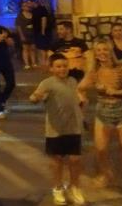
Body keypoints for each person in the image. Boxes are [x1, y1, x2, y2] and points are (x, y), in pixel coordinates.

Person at [78, 38, 122, 198]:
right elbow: (80, 87)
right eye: (98, 50)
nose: (102, 53)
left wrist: (117, 92)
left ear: (110, 51)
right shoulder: (94, 72)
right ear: (95, 53)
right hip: (103, 112)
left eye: (105, 49)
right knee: (100, 149)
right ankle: (106, 174)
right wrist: (82, 97)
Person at [30, 53, 87, 206]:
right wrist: (36, 97)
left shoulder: (73, 81)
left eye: (65, 66)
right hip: (55, 129)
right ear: (51, 68)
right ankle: (57, 188)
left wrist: (82, 113)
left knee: (75, 160)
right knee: (57, 161)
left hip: (73, 127)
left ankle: (75, 187)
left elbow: (77, 100)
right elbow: (34, 98)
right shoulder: (47, 83)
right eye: (58, 66)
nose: (62, 69)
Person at [16, 0, 38, 70]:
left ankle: (33, 63)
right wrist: (21, 35)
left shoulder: (32, 14)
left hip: (32, 34)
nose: (27, 7)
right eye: (24, 6)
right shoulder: (20, 16)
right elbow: (18, 26)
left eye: (27, 5)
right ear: (22, 7)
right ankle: (27, 64)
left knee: (33, 49)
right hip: (24, 34)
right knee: (25, 49)